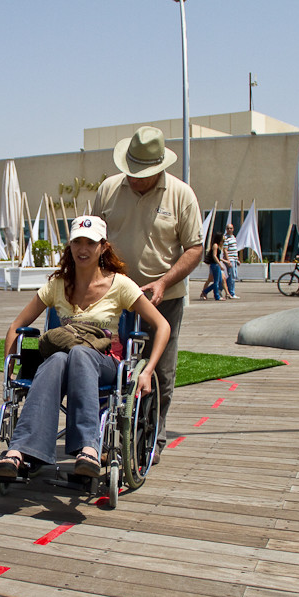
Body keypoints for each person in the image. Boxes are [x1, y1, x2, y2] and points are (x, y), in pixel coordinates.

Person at [0, 216, 171, 479]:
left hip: (105, 364)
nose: (83, 248)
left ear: (103, 247)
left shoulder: (119, 284)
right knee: (54, 360)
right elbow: (16, 326)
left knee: (78, 353)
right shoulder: (57, 285)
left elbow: (162, 325)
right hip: (63, 364)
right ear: (70, 245)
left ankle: (89, 446)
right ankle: (20, 451)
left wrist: (147, 371)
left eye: (90, 242)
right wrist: (8, 370)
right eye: (77, 241)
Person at [90, 126, 203, 457]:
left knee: (159, 371)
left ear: (159, 167)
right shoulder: (109, 188)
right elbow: (93, 239)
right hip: (113, 299)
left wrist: (164, 281)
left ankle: (152, 436)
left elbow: (195, 248)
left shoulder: (182, 195)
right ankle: (102, 432)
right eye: (131, 171)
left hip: (162, 301)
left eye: (142, 173)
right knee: (107, 365)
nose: (135, 178)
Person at [200, 231, 226, 301]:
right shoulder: (215, 245)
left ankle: (205, 291)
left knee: (220, 281)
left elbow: (217, 256)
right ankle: (216, 296)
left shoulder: (218, 245)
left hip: (216, 264)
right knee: (216, 281)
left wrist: (223, 261)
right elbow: (214, 256)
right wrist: (220, 265)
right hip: (215, 265)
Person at [223, 223, 240, 299]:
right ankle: (231, 293)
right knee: (231, 277)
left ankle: (221, 289)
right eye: (228, 228)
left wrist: (237, 259)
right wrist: (228, 261)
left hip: (234, 259)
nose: (229, 230)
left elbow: (235, 250)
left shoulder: (233, 237)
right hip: (230, 259)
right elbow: (225, 250)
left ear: (233, 229)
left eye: (231, 228)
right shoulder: (226, 238)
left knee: (232, 276)